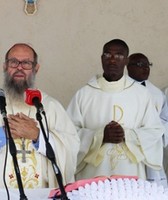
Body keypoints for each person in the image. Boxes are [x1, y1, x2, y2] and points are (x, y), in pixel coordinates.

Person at [0, 43, 80, 188]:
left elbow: (71, 147)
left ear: (36, 68)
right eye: (14, 62)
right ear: (5, 66)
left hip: (40, 195)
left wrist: (37, 135)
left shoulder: (51, 106)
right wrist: (2, 134)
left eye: (26, 63)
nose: (19, 68)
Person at [67, 39, 164, 181]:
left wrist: (127, 135)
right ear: (101, 59)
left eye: (118, 55)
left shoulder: (141, 94)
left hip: (130, 171)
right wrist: (99, 135)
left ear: (126, 61)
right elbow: (68, 134)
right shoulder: (84, 94)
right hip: (93, 174)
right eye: (107, 55)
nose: (112, 60)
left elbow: (155, 131)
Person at [127, 53, 168, 187]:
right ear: (128, 66)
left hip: (151, 145)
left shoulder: (156, 92)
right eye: (140, 65)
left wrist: (154, 131)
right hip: (129, 144)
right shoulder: (122, 89)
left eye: (148, 65)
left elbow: (164, 118)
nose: (146, 68)